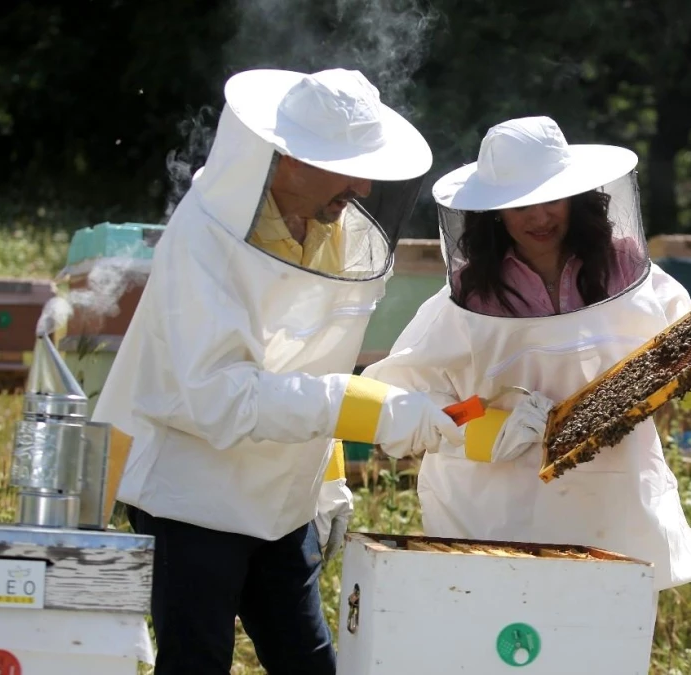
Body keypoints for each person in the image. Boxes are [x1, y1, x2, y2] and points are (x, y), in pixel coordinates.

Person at [91, 67, 464, 675]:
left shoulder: (336, 232)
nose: (365, 187)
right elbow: (219, 398)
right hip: (193, 494)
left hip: (283, 501)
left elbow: (315, 359)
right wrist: (374, 410)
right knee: (196, 662)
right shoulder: (205, 239)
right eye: (347, 165)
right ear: (289, 159)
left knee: (308, 662)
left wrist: (328, 478)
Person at [360, 116, 691, 612]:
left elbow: (689, 368)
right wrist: (478, 426)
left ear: (578, 196)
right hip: (497, 519)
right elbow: (395, 404)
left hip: (614, 507)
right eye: (520, 203)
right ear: (494, 212)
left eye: (551, 197)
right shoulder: (464, 303)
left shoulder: (628, 272)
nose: (538, 216)